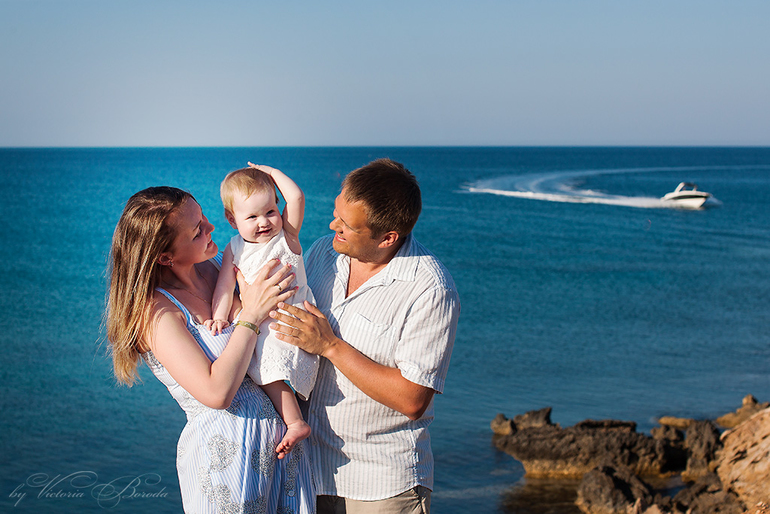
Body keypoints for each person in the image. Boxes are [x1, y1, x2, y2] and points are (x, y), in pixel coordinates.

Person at [105, 186, 316, 514]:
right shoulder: (156, 313)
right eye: (197, 231)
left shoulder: (218, 264)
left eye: (203, 217)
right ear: (165, 257)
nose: (211, 227)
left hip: (283, 454)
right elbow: (216, 393)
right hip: (227, 464)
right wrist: (250, 315)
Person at [269, 158, 460, 514]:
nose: (333, 226)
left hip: (381, 487)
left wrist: (329, 346)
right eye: (337, 214)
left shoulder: (430, 289)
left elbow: (413, 399)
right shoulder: (323, 252)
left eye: (347, 226)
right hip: (308, 474)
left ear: (388, 238)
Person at [205, 163, 318, 458]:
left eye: (270, 211)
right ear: (232, 220)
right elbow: (225, 286)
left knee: (269, 371)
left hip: (293, 319)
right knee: (265, 372)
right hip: (264, 324)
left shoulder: (287, 237)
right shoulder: (233, 249)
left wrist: (271, 172)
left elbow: (296, 197)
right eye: (252, 217)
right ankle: (295, 421)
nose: (264, 222)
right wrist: (219, 315)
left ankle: (296, 422)